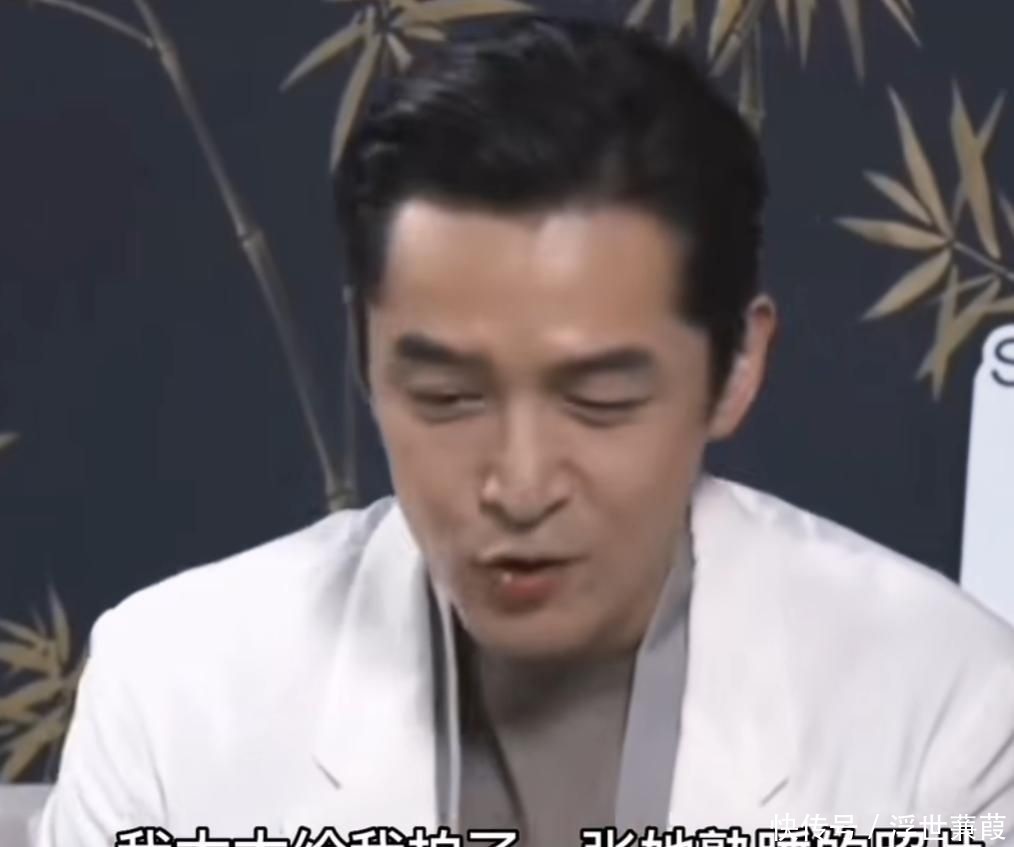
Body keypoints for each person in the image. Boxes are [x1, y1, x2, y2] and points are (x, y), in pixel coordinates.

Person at [36, 15, 1014, 847]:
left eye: (601, 400)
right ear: (367, 358)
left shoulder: (948, 707)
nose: (519, 482)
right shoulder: (171, 692)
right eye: (447, 396)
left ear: (735, 369)